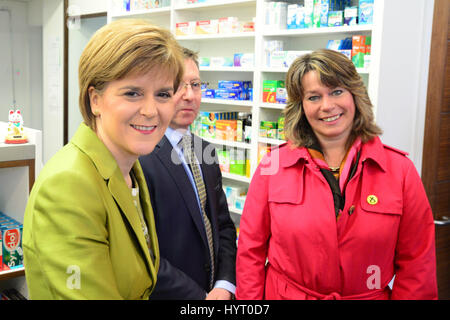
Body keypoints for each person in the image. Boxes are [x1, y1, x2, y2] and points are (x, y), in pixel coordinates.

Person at [235, 49, 438, 300]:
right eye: (313, 97)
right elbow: (250, 252)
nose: (327, 106)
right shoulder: (272, 165)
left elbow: (417, 263)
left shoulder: (399, 171)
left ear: (355, 95)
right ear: (301, 106)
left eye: (337, 91)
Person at [22, 19, 184, 299]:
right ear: (95, 99)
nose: (150, 110)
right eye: (132, 93)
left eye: (163, 94)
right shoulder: (69, 186)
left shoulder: (130, 169)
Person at [139, 48, 237, 300]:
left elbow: (224, 226)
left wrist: (225, 284)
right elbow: (144, 251)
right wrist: (199, 297)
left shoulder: (206, 151)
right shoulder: (140, 157)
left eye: (195, 84)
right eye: (177, 86)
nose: (189, 95)